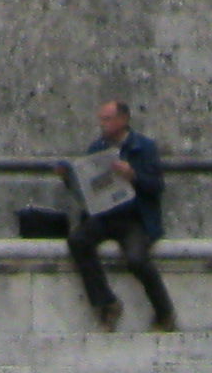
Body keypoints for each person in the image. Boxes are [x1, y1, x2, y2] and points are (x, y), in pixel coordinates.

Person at [65, 95, 174, 332]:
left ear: (123, 119)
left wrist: (133, 176)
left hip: (134, 218)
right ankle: (106, 302)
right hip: (104, 216)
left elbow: (156, 187)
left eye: (107, 119)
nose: (102, 124)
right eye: (101, 119)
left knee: (136, 259)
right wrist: (69, 178)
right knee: (78, 240)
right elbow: (87, 189)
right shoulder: (97, 148)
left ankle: (164, 312)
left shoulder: (144, 147)